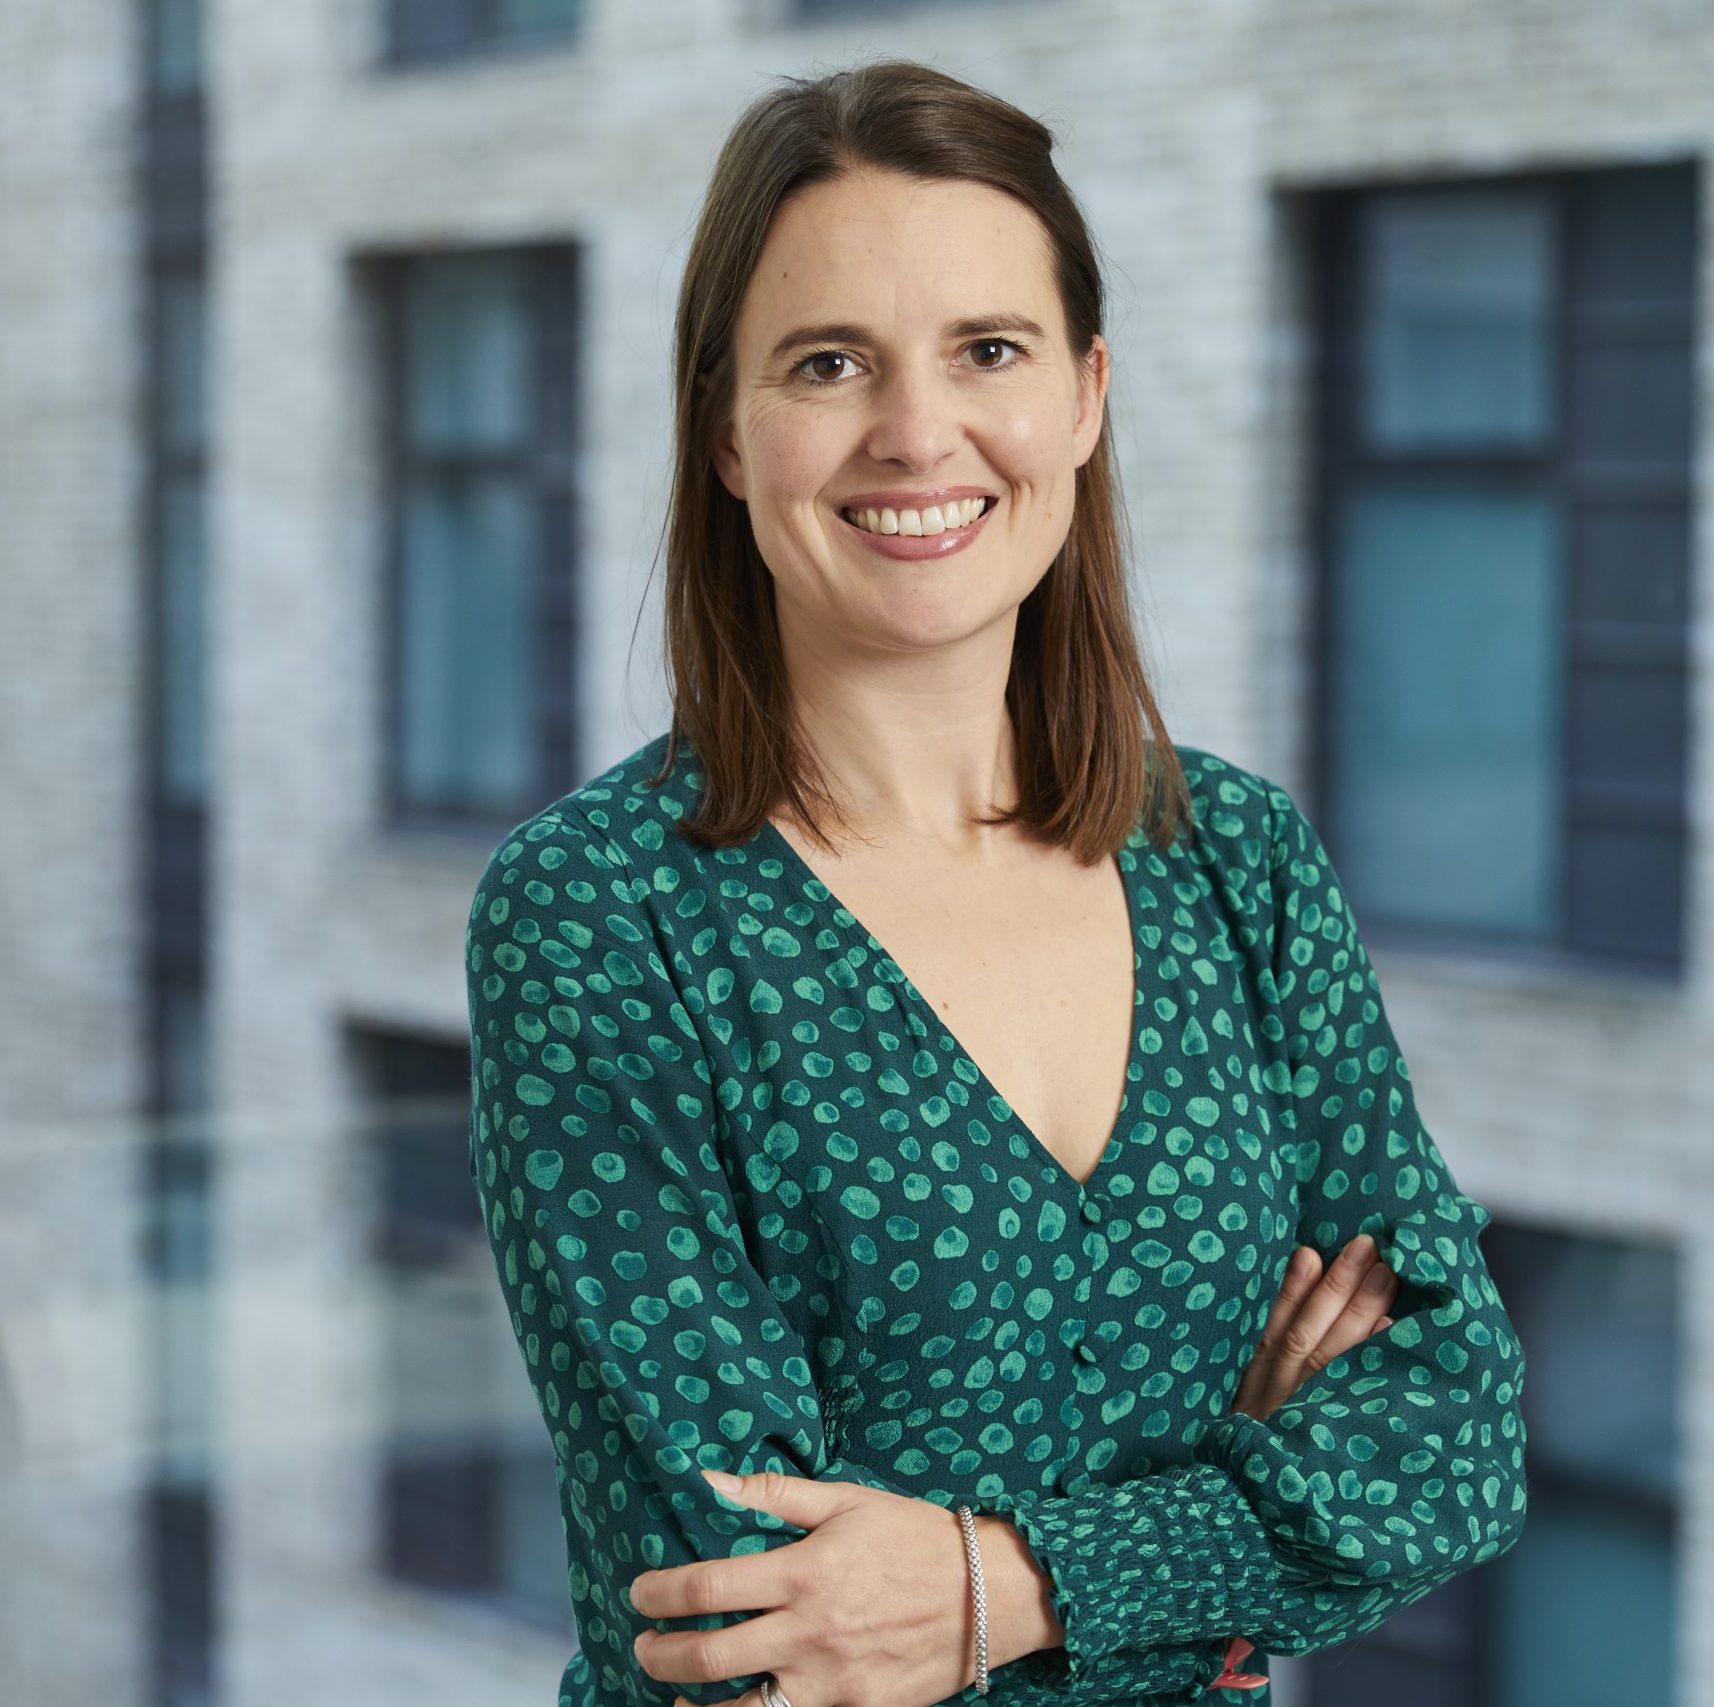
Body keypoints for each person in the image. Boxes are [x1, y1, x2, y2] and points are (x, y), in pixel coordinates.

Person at [465, 58, 1527, 1707]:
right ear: (728, 434)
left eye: (989, 352)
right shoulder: (603, 916)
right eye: (830, 364)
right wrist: (1241, 1518)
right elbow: (744, 1627)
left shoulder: (1236, 860)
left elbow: (1452, 1441)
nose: (916, 433)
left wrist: (1002, 1583)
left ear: (1086, 399)